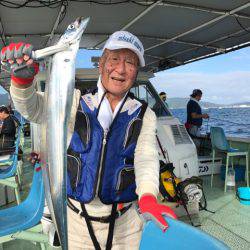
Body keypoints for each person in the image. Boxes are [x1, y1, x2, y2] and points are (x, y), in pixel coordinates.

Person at [1, 31, 177, 249]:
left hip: (127, 226)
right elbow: (33, 109)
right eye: (114, 59)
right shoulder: (73, 100)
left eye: (130, 62)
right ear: (101, 63)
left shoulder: (144, 113)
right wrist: (22, 82)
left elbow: (146, 157)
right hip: (75, 223)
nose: (121, 69)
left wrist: (149, 196)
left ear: (136, 72)